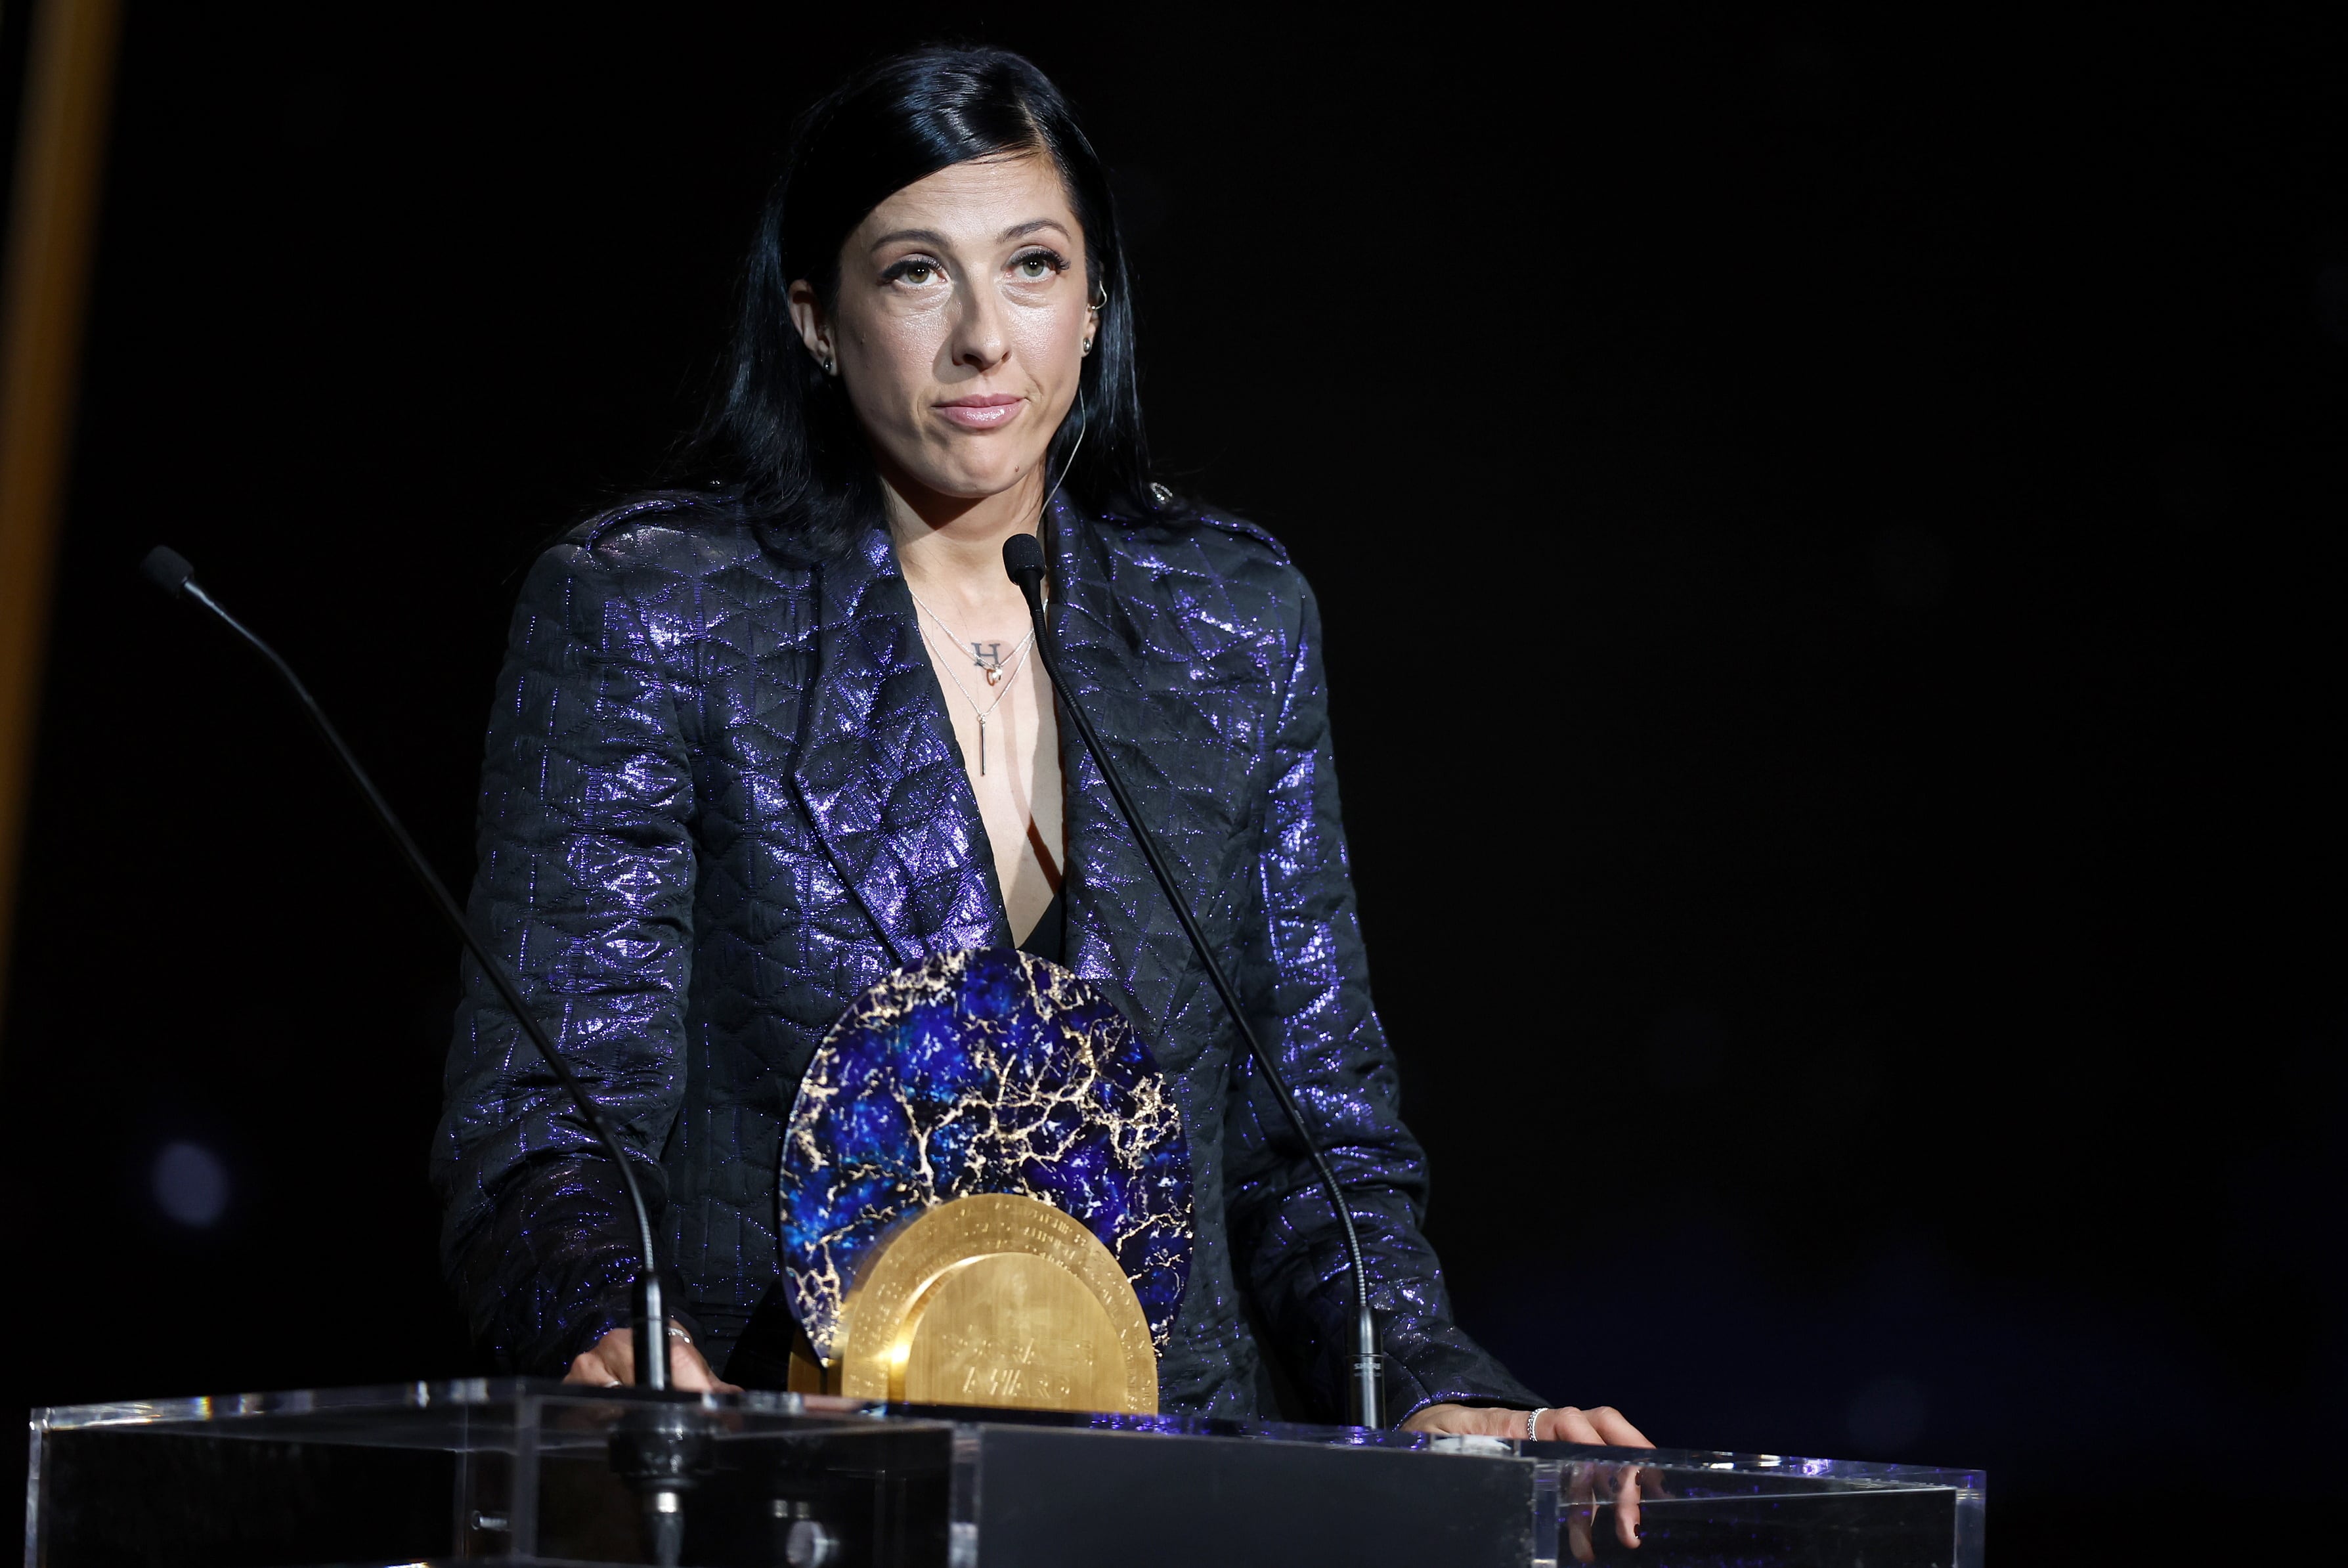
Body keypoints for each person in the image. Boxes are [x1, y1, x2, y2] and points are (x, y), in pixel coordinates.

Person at [433, 44, 1651, 1464]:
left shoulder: (1230, 627)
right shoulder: (653, 612)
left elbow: (1315, 1155)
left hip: (1161, 1493)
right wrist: (610, 1323)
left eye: (1029, 267)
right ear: (816, 319)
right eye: (914, 273)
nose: (981, 341)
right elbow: (547, 1123)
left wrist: (1450, 1398)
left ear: (1095, 308)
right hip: (787, 1466)